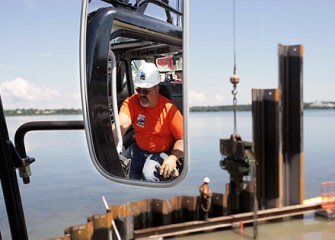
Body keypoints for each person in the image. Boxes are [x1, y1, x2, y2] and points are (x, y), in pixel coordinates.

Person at [113, 62, 184, 181]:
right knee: (124, 172)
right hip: (139, 148)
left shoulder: (170, 110)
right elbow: (121, 125)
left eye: (145, 91)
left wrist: (173, 157)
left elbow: (182, 139)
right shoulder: (131, 103)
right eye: (138, 90)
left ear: (156, 89)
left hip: (162, 150)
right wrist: (112, 143)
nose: (141, 95)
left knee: (149, 173)